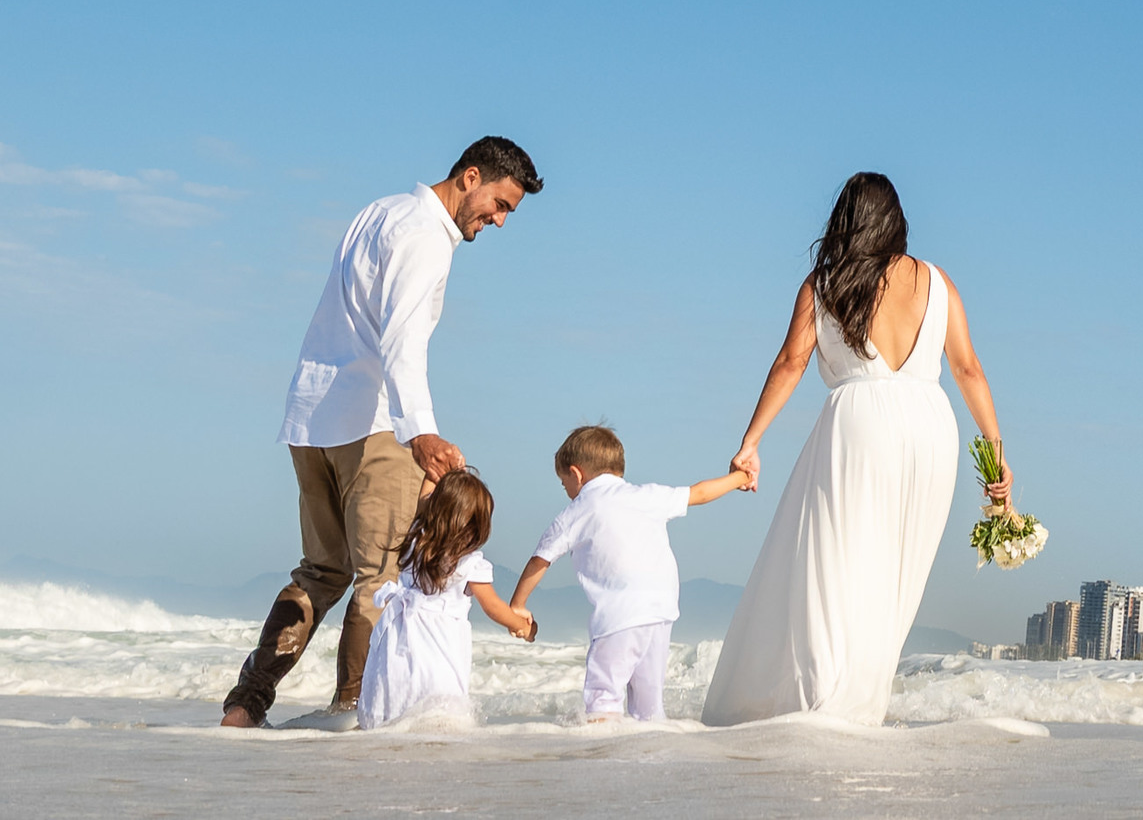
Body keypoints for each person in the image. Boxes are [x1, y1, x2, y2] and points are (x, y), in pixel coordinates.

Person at [221, 135, 543, 729]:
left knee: (321, 572)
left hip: (312, 417)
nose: (498, 221)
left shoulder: (379, 211)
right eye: (499, 204)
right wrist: (419, 430)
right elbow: (403, 340)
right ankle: (353, 715)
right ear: (470, 178)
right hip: (371, 425)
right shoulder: (427, 237)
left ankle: (246, 704)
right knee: (379, 577)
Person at [701, 172, 1013, 729]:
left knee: (835, 568)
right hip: (930, 430)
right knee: (893, 578)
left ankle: (827, 702)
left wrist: (750, 442)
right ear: (896, 221)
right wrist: (996, 451)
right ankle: (862, 705)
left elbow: (791, 363)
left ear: (844, 221)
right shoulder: (938, 282)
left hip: (859, 426)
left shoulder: (824, 284)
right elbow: (969, 369)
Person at [511, 425, 750, 723]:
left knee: (603, 698)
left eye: (564, 483)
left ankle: (602, 761)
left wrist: (518, 604)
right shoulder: (647, 495)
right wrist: (740, 477)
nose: (567, 491)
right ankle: (651, 762)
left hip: (619, 616)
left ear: (577, 474)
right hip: (661, 612)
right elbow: (700, 493)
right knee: (649, 709)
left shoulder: (580, 508)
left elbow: (540, 559)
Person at [358, 470, 536, 728]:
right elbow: (493, 607)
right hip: (439, 645)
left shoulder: (416, 540)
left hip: (400, 637)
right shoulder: (468, 563)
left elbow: (424, 497)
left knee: (398, 699)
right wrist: (521, 626)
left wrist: (440, 468)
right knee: (440, 708)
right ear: (476, 525)